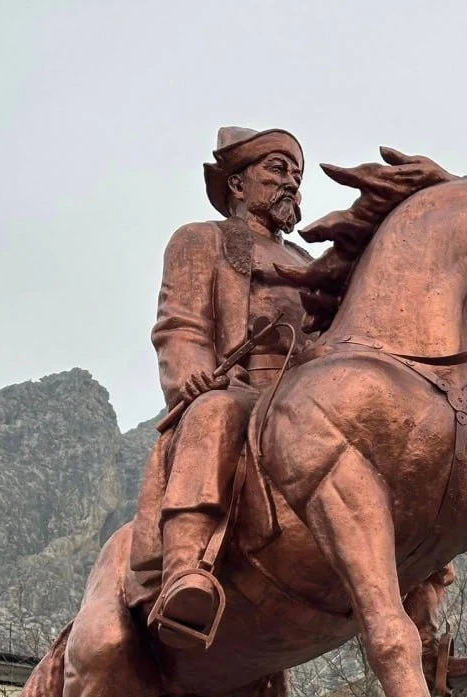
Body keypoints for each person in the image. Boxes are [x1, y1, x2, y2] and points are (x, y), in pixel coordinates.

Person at [145, 126, 312, 648]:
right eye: (277, 170)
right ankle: (183, 570)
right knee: (214, 412)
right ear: (237, 185)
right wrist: (191, 373)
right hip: (241, 388)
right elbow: (180, 325)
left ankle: (425, 617)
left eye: (297, 175)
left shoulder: (311, 265)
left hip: (307, 397)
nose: (292, 184)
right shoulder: (202, 240)